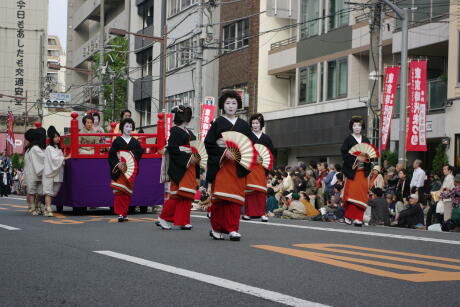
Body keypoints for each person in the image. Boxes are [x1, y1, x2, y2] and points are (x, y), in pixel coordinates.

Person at [204, 90, 257, 241]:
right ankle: (216, 228)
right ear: (222, 105)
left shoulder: (243, 125)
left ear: (238, 105)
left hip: (237, 165)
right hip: (221, 165)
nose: (231, 106)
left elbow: (249, 145)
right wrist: (223, 152)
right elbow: (208, 143)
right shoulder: (218, 122)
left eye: (234, 103)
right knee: (221, 198)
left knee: (235, 198)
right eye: (228, 103)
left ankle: (233, 229)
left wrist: (248, 155)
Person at [157, 106, 199, 230]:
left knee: (188, 194)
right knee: (178, 194)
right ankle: (163, 217)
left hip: (190, 164)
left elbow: (196, 148)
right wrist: (188, 158)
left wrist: (196, 160)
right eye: (187, 115)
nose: (188, 118)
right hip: (181, 165)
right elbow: (172, 149)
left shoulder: (189, 132)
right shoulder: (175, 131)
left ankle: (183, 220)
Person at [108, 118, 143, 222]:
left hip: (130, 170)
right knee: (119, 192)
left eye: (130, 126)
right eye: (126, 126)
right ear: (122, 128)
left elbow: (140, 152)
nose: (129, 128)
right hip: (120, 169)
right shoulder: (117, 141)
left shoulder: (135, 142)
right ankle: (120, 213)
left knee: (127, 193)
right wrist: (118, 164)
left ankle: (124, 212)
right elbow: (111, 155)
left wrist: (131, 156)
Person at [341, 116, 372, 227]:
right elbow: (344, 154)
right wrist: (356, 159)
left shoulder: (366, 140)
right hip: (353, 172)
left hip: (363, 172)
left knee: (362, 195)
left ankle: (358, 218)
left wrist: (366, 158)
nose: (357, 127)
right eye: (354, 125)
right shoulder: (348, 140)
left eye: (359, 125)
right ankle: (348, 216)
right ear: (351, 127)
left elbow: (370, 156)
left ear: (362, 126)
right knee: (352, 195)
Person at [243, 113, 274, 222]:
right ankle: (248, 213)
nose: (255, 125)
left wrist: (265, 162)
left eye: (257, 123)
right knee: (249, 191)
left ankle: (262, 213)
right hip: (250, 166)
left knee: (261, 192)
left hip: (262, 167)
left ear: (261, 124)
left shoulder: (266, 138)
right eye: (253, 123)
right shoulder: (248, 136)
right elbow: (244, 150)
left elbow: (271, 153)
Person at [42, 126, 69, 217]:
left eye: (58, 136)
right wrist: (64, 157)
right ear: (51, 138)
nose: (58, 138)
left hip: (57, 173)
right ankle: (48, 208)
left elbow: (59, 159)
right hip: (50, 173)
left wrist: (63, 156)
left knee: (54, 192)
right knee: (49, 192)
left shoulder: (57, 148)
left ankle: (46, 207)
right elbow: (55, 159)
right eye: (55, 137)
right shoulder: (49, 148)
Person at [29, 128, 47, 215]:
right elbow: (44, 157)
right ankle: (33, 207)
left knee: (40, 191)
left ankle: (37, 206)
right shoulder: (35, 148)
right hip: (33, 172)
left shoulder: (42, 147)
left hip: (40, 172)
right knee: (32, 190)